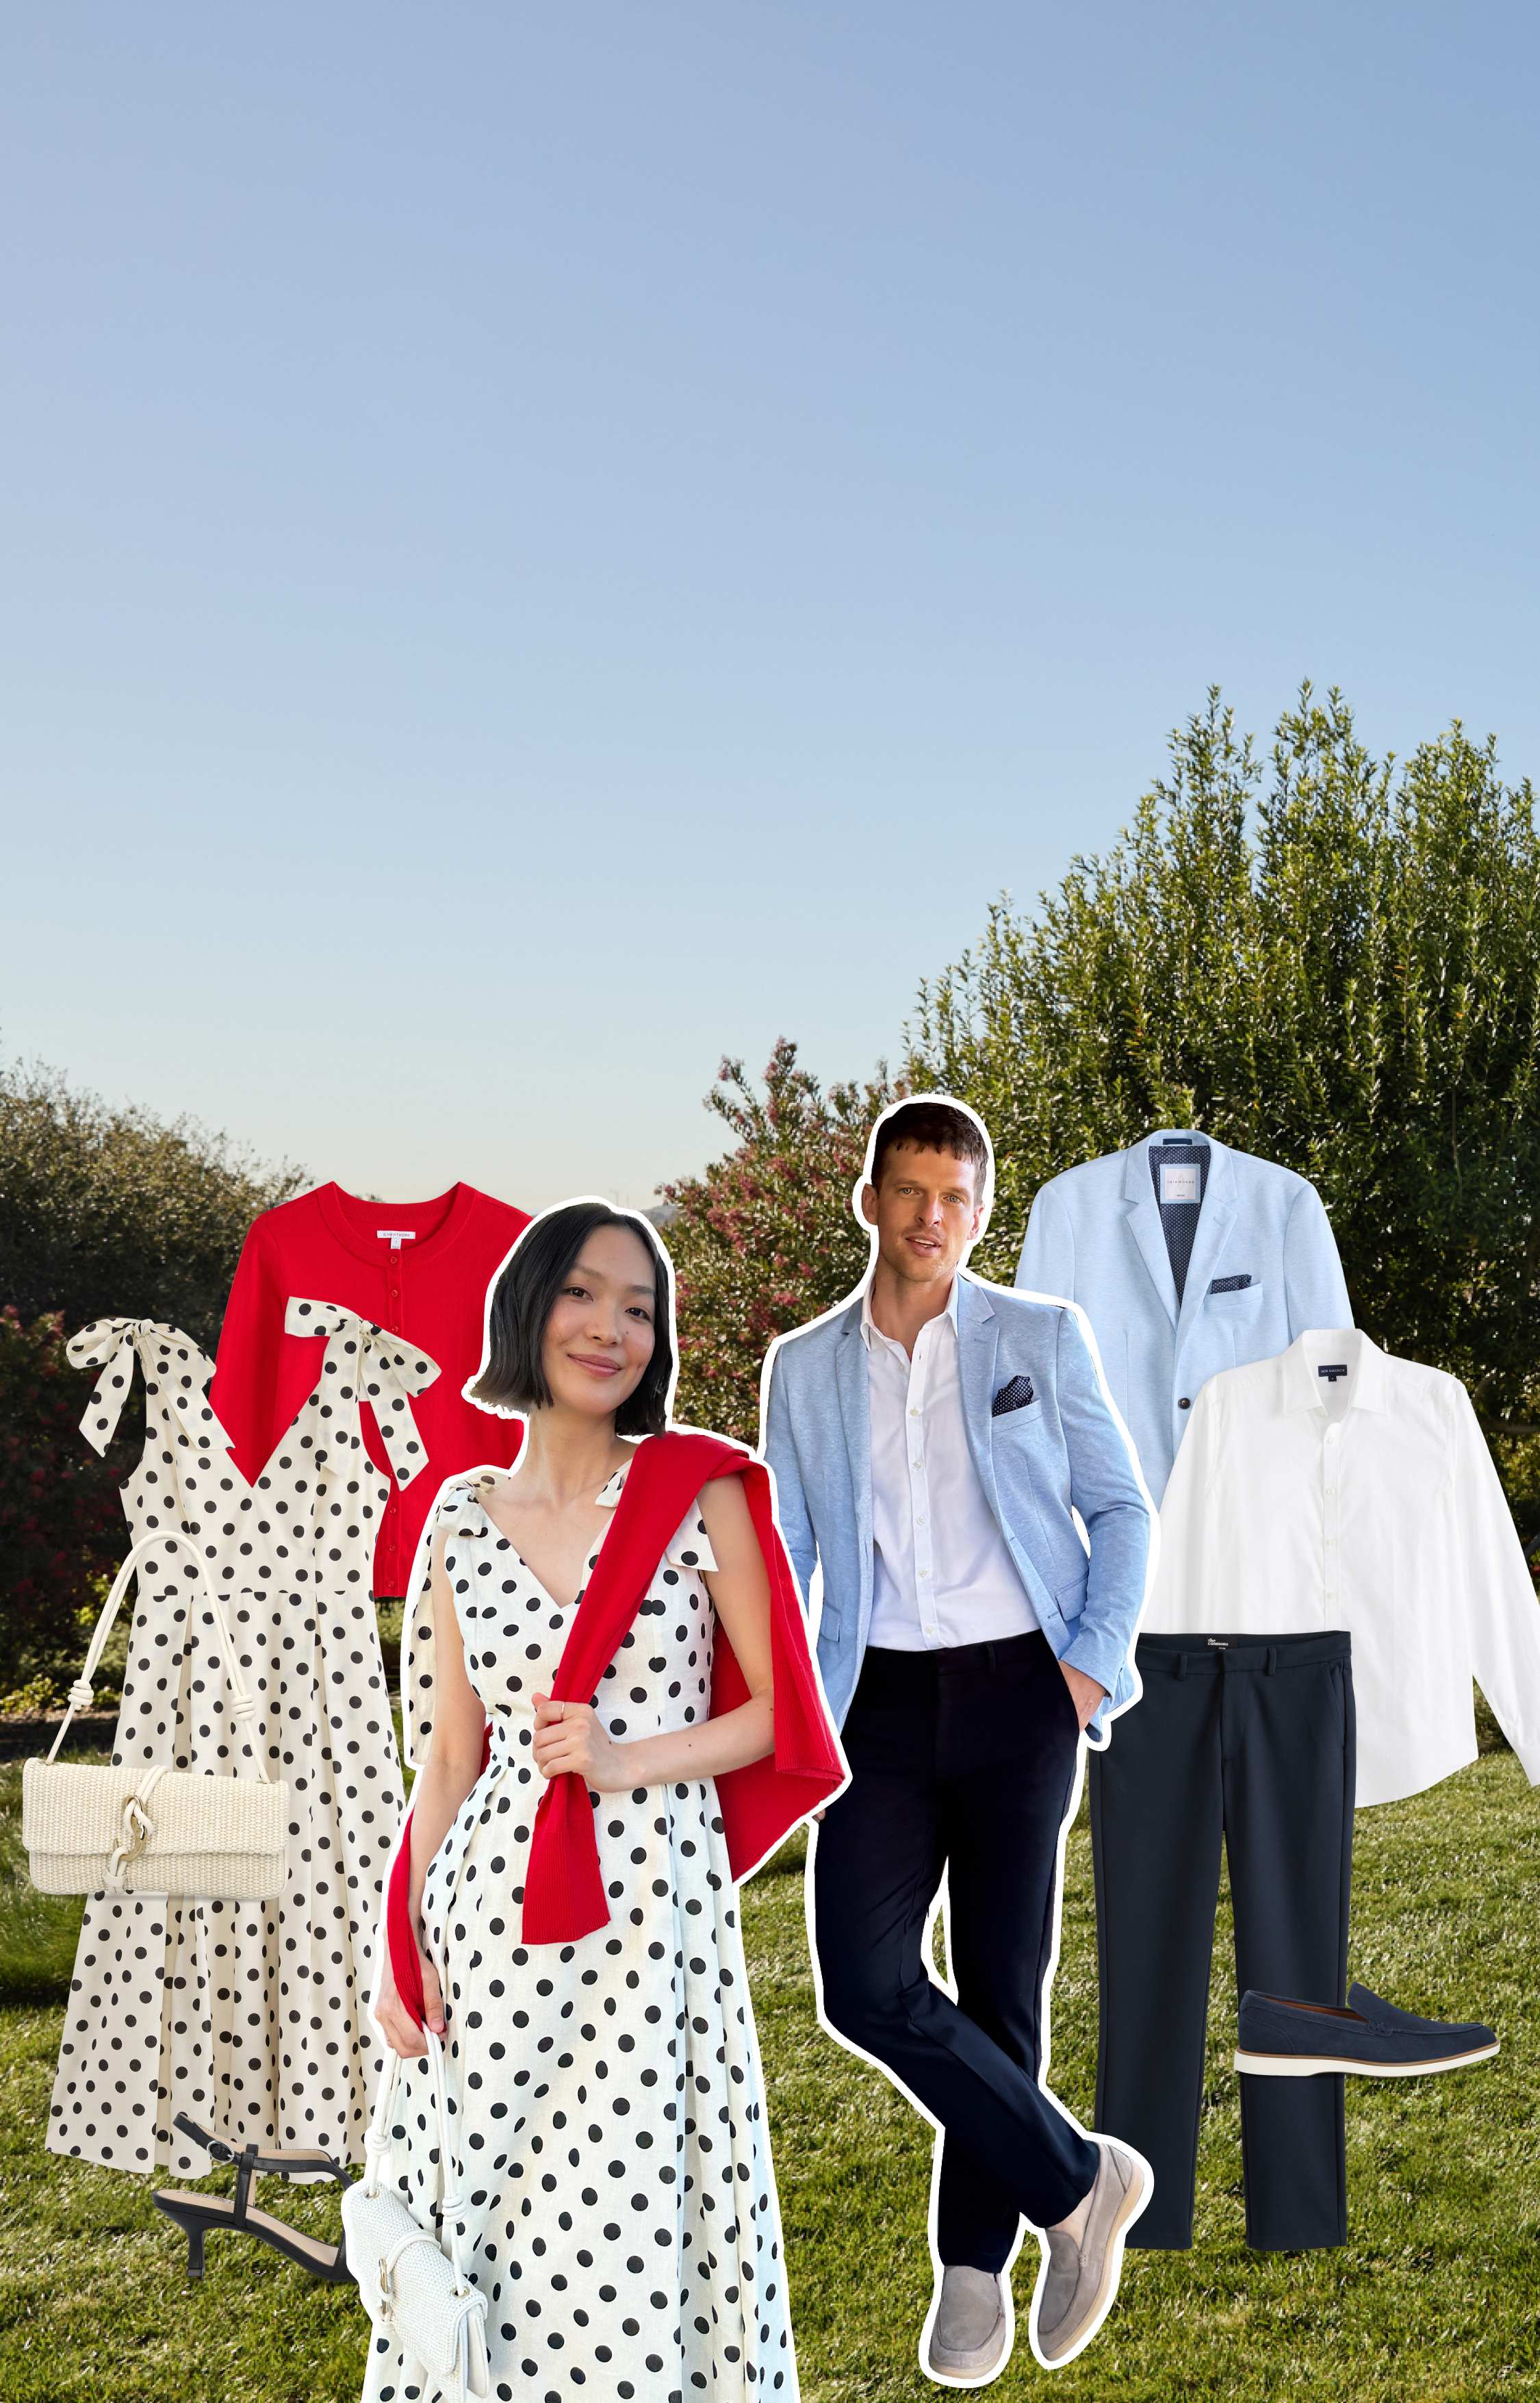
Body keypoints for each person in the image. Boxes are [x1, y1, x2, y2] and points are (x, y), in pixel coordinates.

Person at [365, 1199, 843, 2403]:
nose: (610, 1327)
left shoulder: (702, 1488)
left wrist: (629, 1757)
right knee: (491, 2221)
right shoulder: (456, 1519)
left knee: (631, 2214)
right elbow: (448, 1762)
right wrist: (397, 1944)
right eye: (583, 1293)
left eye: (640, 1308)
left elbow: (785, 1714)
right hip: (487, 1922)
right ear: (529, 1308)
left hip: (648, 1924)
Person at [761, 1097, 1155, 2380]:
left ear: (980, 1209)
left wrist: (1086, 1670)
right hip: (872, 1697)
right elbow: (791, 1557)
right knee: (862, 1985)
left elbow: (1118, 1508)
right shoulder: (802, 1365)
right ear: (870, 1198)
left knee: (999, 1982)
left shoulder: (1039, 1333)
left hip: (1022, 1692)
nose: (935, 1218)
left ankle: (973, 2274)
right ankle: (1077, 2181)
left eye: (959, 1196)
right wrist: (784, 1707)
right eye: (913, 1190)